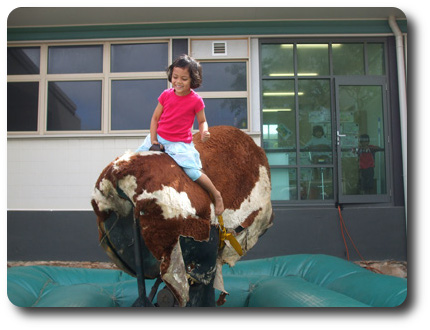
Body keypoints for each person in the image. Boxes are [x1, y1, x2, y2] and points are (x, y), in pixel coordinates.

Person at [136, 55, 224, 216]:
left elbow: (202, 120)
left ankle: (216, 195)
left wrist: (204, 131)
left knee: (192, 172)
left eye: (184, 78)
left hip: (179, 144)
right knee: (135, 160)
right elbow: (155, 118)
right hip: (160, 137)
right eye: (175, 77)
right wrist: (154, 139)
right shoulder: (165, 95)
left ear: (193, 80)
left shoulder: (196, 100)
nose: (178, 81)